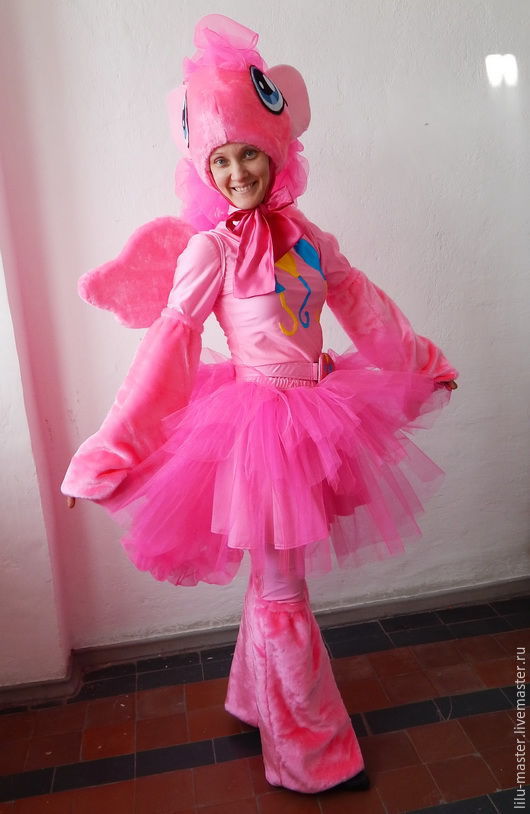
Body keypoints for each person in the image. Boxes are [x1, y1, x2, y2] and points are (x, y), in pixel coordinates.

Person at [62, 15, 458, 795]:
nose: (238, 171)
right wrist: (111, 448)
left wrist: (421, 363)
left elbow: (362, 304)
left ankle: (255, 699)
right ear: (201, 169)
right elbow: (168, 349)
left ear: (278, 152)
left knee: (274, 581)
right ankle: (310, 755)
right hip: (257, 435)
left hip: (318, 416)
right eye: (221, 158)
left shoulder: (306, 236)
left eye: (249, 152)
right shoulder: (209, 249)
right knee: (283, 591)